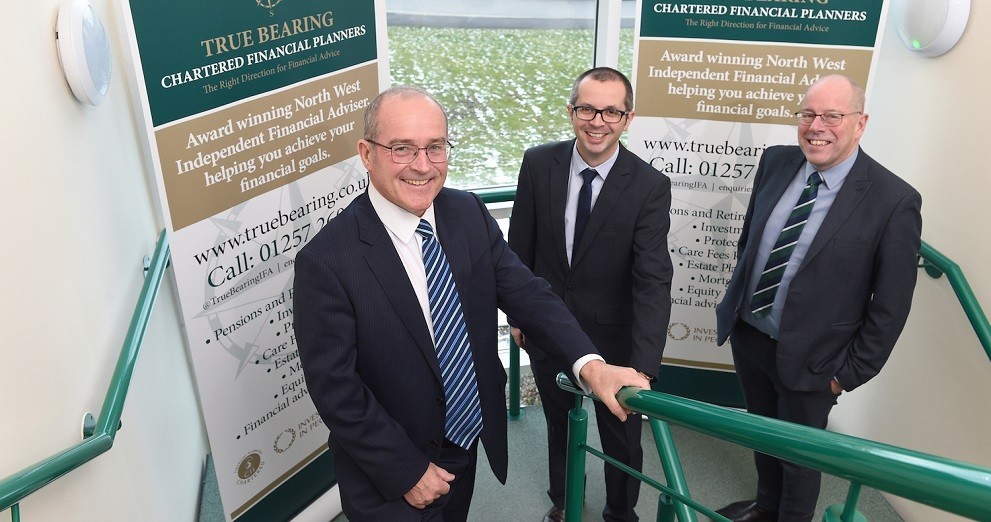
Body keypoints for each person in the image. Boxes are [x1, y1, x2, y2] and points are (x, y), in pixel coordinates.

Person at [293, 85, 651, 521]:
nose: (422, 166)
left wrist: (591, 366)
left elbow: (528, 293)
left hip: (464, 443)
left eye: (435, 147)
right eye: (402, 149)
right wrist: (405, 471)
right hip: (389, 473)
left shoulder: (466, 212)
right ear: (367, 154)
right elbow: (335, 388)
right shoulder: (326, 261)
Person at [714, 74, 923, 522]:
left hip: (816, 363)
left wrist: (846, 375)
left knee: (800, 459)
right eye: (808, 114)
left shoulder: (893, 201)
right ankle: (765, 507)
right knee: (762, 435)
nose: (816, 127)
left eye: (832, 116)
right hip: (751, 337)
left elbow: (891, 306)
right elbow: (751, 240)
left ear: (860, 124)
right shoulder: (776, 161)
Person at [508, 67, 673, 522]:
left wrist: (643, 367)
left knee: (622, 438)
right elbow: (518, 248)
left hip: (615, 343)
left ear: (628, 118)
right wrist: (519, 318)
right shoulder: (538, 164)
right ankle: (565, 502)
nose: (597, 121)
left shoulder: (649, 186)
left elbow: (653, 280)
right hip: (548, 330)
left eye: (611, 112)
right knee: (559, 426)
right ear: (571, 111)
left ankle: (620, 513)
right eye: (587, 109)